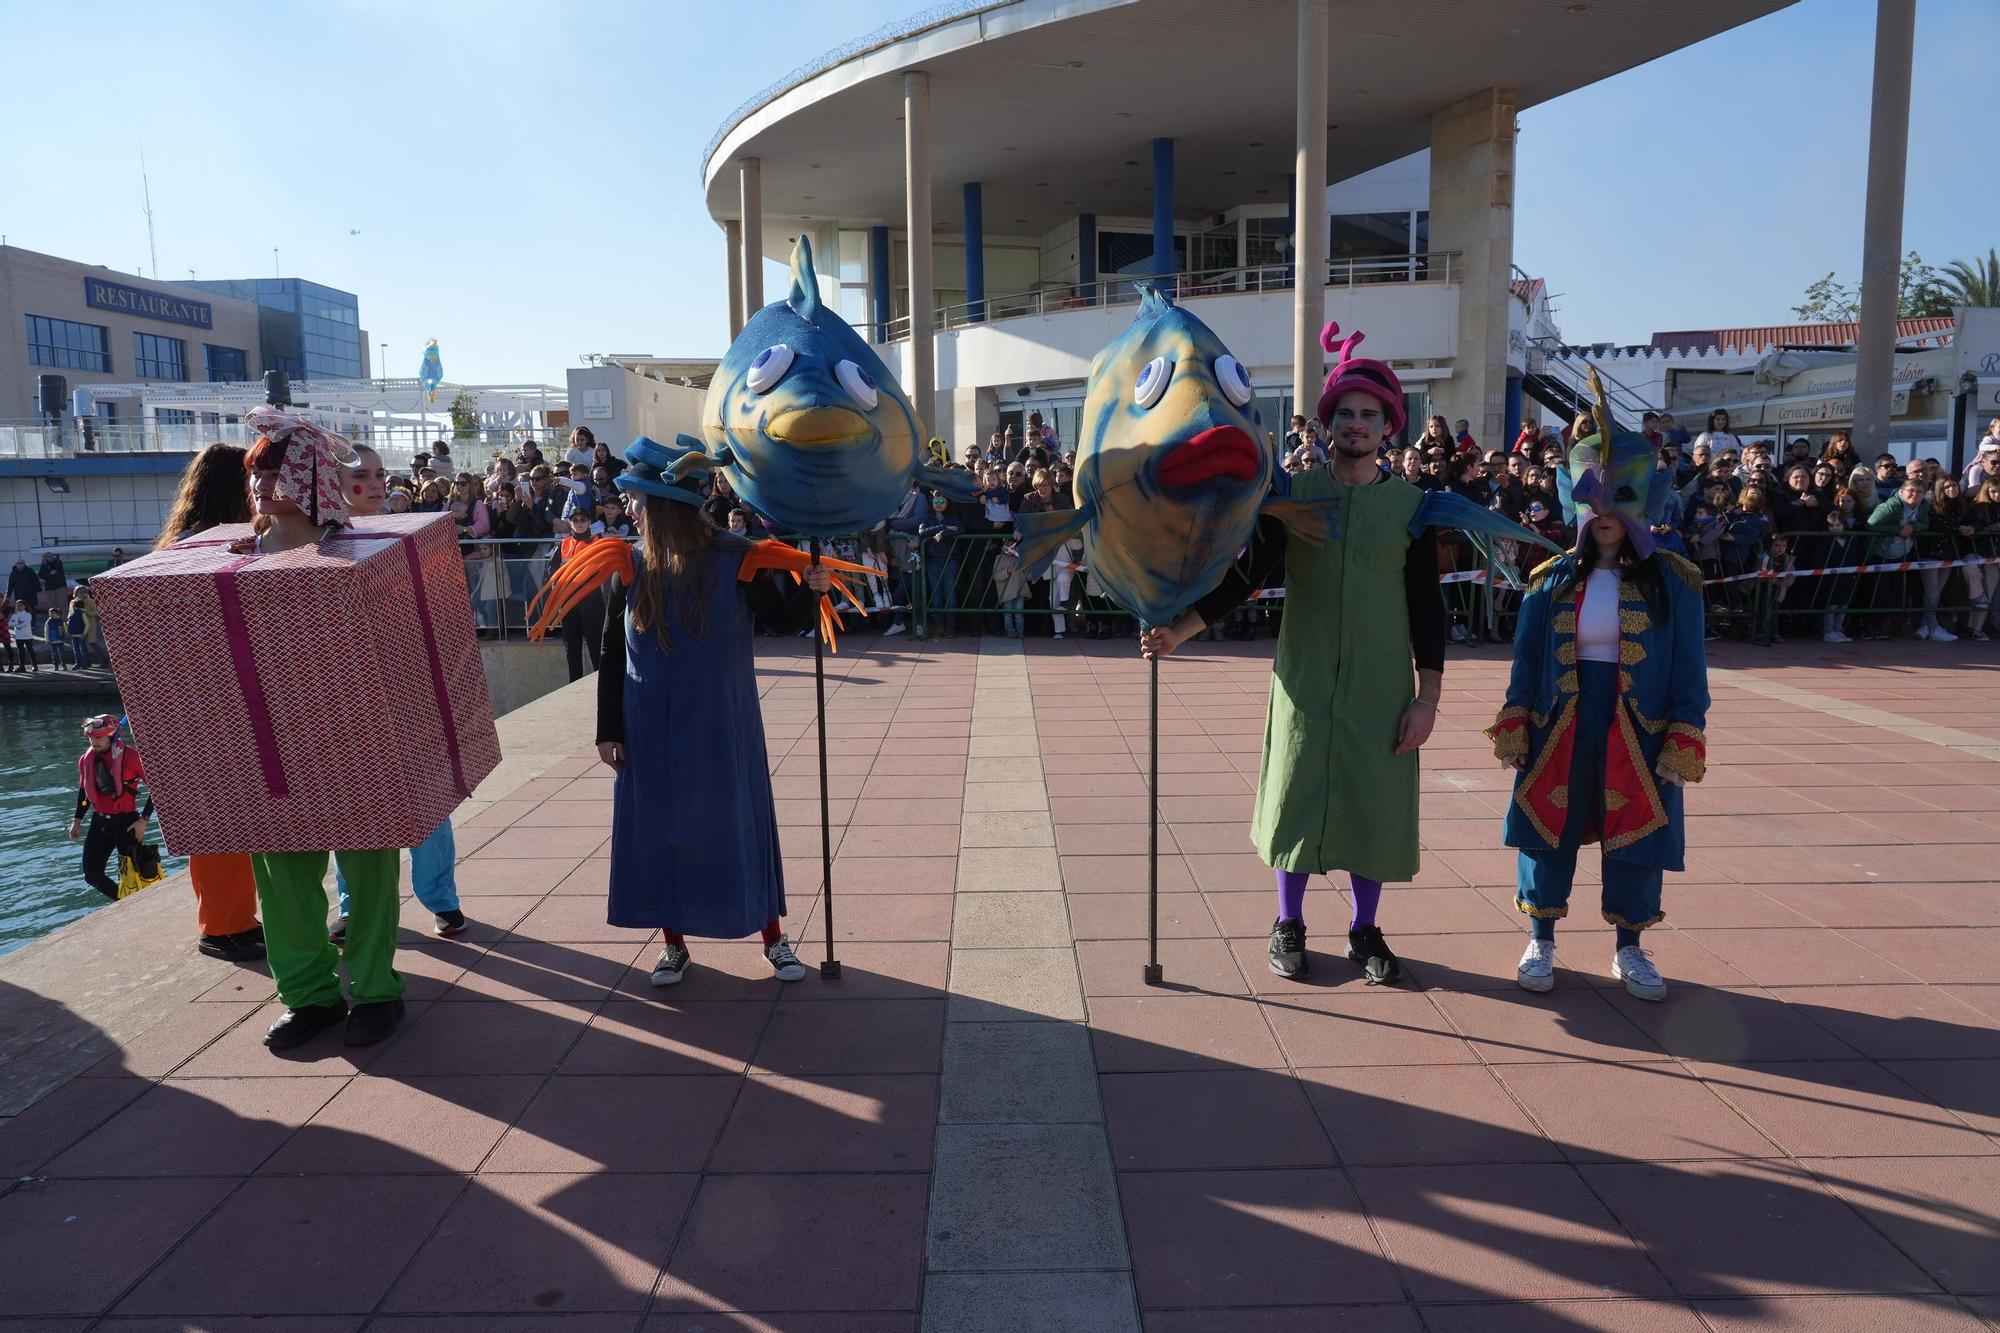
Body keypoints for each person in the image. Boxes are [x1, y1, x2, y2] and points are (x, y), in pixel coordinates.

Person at [1141, 326, 1453, 985]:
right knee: (1295, 795)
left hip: (1380, 687)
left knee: (1375, 801)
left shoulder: (1412, 509)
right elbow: (1245, 578)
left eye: (1371, 415)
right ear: (1329, 421)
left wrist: (1427, 698)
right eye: (1347, 413)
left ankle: (1365, 930)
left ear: (1390, 426)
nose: (1358, 424)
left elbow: (1428, 607)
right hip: (1305, 682)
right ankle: (1288, 922)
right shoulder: (1293, 498)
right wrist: (1179, 631)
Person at [573, 438, 833, 985]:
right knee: (663, 829)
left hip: (721, 722)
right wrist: (607, 728)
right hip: (649, 724)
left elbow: (782, 622)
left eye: (642, 500)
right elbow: (610, 649)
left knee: (738, 821)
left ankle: (773, 937)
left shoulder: (738, 558)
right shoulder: (629, 561)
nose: (633, 510)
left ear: (670, 507)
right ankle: (674, 944)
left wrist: (812, 589)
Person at [1488, 418, 1710, 1003]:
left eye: (1622, 497)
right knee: (1545, 827)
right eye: (1596, 497)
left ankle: (1630, 948)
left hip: (1640, 728)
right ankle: (1541, 940)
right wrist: (1515, 722)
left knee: (1638, 833)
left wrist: (1685, 736)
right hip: (1560, 720)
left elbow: (1691, 669)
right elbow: (1526, 662)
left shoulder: (1676, 581)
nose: (1607, 511)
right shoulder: (1549, 580)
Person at [240, 419, 406, 1050]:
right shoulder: (225, 564)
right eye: (255, 470)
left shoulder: (368, 555)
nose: (257, 481)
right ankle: (308, 996)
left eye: (271, 469)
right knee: (282, 883)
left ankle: (376, 990)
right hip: (269, 749)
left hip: (359, 745)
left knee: (366, 875)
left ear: (306, 478)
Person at [325, 445, 470, 944]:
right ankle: (352, 905)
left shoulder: (407, 539)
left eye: (380, 473)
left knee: (429, 800)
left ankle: (441, 899)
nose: (376, 482)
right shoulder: (319, 547)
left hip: (411, 691)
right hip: (349, 699)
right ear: (334, 484)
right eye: (361, 474)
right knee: (356, 809)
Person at [154, 441, 268, 962]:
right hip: (227, 698)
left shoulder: (173, 549)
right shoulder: (233, 548)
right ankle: (226, 926)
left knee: (213, 818)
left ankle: (226, 920)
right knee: (230, 817)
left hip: (183, 701)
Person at [67, 714, 155, 901]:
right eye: (91, 737)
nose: (94, 742)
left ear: (112, 736)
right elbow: (84, 792)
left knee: (130, 875)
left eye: (98, 738)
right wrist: (77, 821)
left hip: (127, 823)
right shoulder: (86, 759)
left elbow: (158, 788)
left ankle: (135, 904)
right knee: (92, 875)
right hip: (100, 822)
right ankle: (123, 902)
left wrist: (144, 820)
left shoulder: (131, 757)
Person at [552, 499, 607, 680]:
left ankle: (600, 683)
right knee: (572, 648)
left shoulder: (597, 543)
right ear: (570, 522)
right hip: (568, 603)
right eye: (575, 520)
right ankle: (573, 685)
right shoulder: (564, 544)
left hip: (591, 602)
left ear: (589, 522)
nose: (579, 523)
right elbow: (553, 571)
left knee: (596, 646)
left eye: (583, 519)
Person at [5, 598, 37, 672]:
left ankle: (34, 665)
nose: (18, 607)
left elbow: (26, 623)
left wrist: (17, 623)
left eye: (20, 605)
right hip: (19, 637)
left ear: (24, 606)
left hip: (27, 636)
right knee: (20, 652)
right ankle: (22, 666)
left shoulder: (28, 614)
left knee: (30, 650)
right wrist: (19, 623)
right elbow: (10, 623)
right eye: (17, 606)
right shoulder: (15, 615)